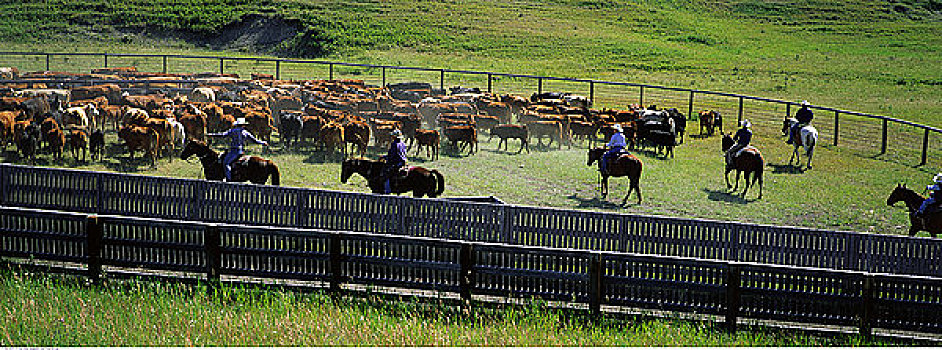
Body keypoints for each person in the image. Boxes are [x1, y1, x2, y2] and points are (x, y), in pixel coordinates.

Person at [379, 129, 408, 194]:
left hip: (396, 163)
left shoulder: (394, 144)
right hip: (403, 162)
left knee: (385, 173)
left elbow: (391, 156)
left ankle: (387, 190)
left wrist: (384, 157)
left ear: (394, 137)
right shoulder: (403, 144)